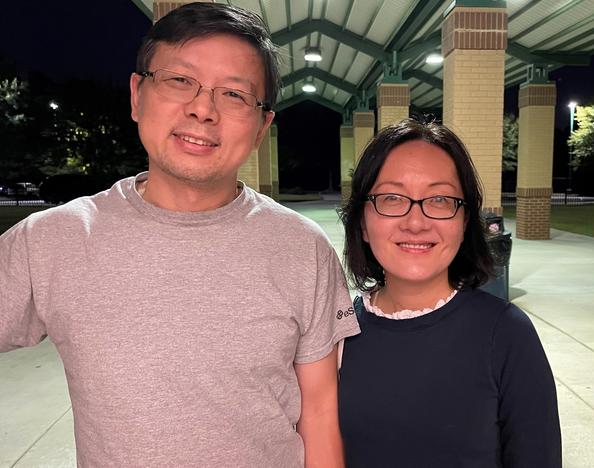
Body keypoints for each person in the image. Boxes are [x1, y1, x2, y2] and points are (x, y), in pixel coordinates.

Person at [0, 3, 359, 466]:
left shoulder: (302, 247)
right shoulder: (52, 240)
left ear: (261, 127)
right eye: (180, 80)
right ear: (137, 94)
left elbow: (320, 414)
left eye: (234, 94)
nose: (203, 109)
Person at [338, 119, 561, 467]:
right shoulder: (336, 336)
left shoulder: (506, 334)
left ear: (464, 220)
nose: (416, 222)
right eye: (392, 198)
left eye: (440, 199)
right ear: (363, 222)